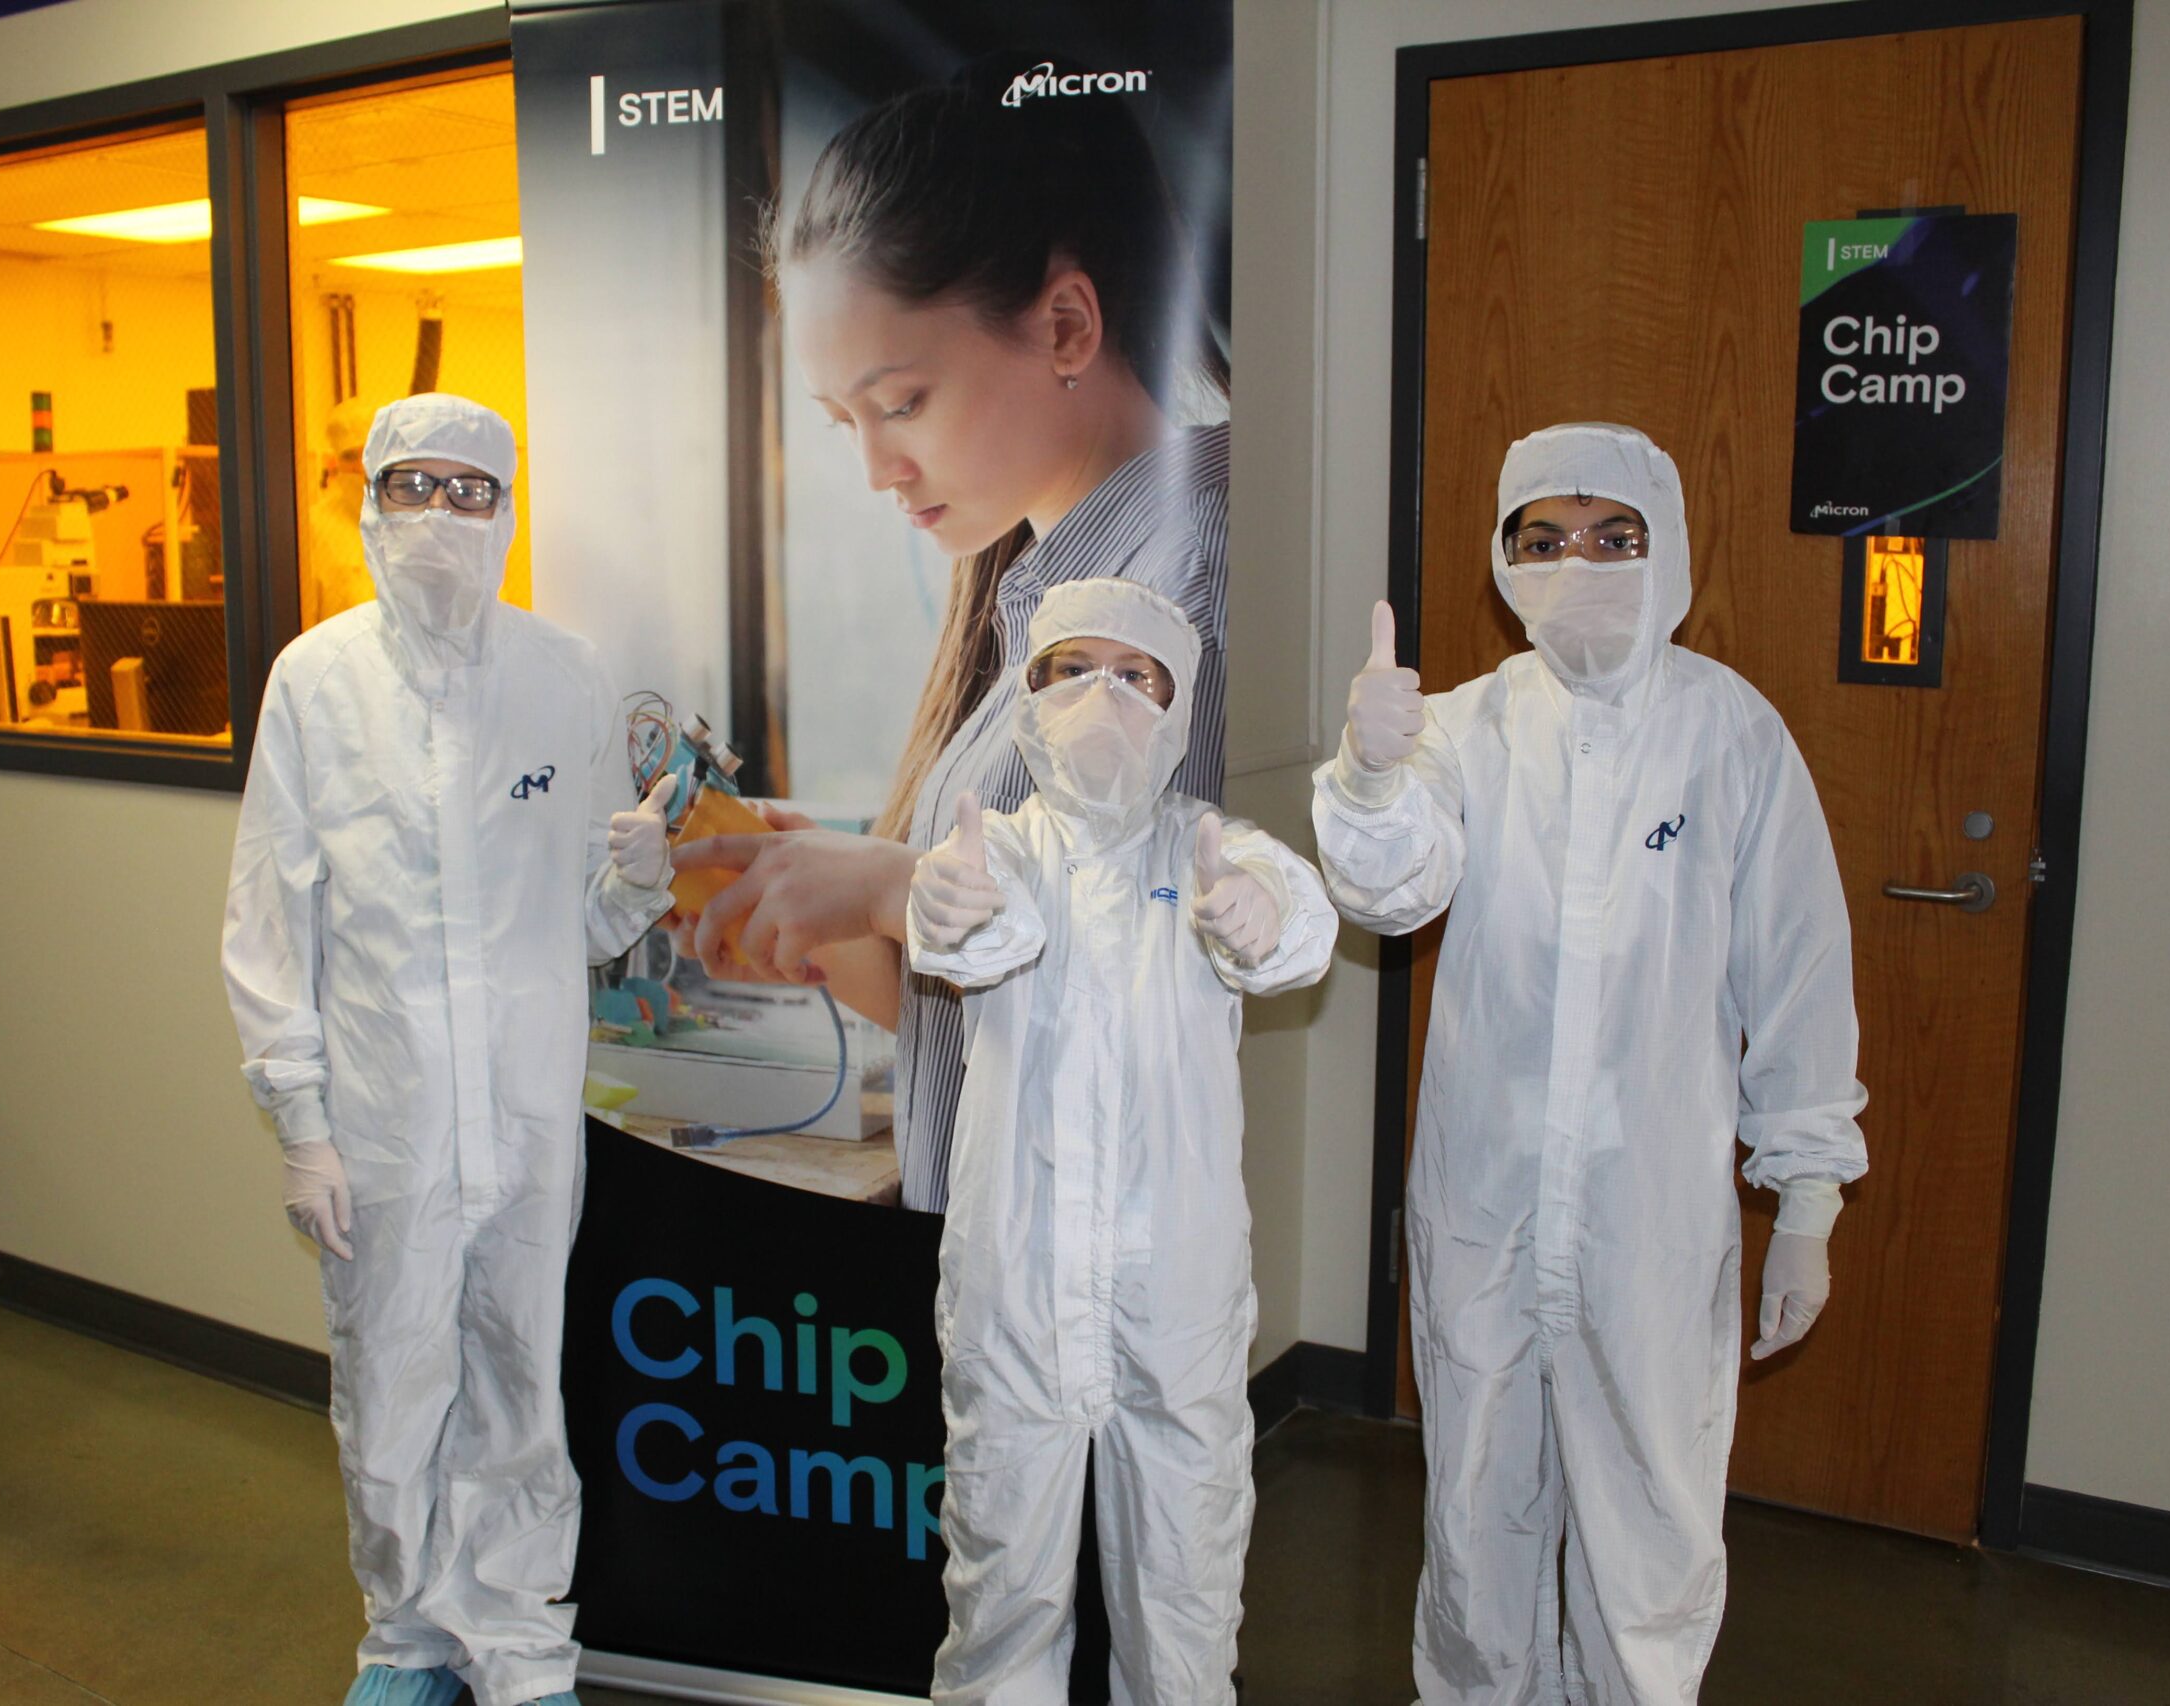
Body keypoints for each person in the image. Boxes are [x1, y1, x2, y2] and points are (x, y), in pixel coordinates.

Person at [1312, 422, 1868, 1705]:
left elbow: (1796, 975)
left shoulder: (1730, 735)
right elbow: (1391, 895)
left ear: (1666, 547)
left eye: (1615, 537)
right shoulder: (1463, 728)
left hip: (1652, 1224)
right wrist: (1369, 778)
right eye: (1544, 540)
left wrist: (1807, 1200)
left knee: (1650, 1544)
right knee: (1474, 1533)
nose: (1581, 563)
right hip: (1485, 1214)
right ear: (1503, 562)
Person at [672, 55, 1232, 1213]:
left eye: (902, 403)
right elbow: (966, 1023)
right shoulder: (1031, 592)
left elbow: (1175, 978)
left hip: (1100, 1278)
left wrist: (891, 885)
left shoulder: (1188, 589)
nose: (877, 468)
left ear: (1067, 323)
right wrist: (817, 901)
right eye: (846, 422)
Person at [221, 393, 677, 1706]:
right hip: (382, 1125)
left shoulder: (563, 674)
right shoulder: (316, 681)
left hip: (529, 1120)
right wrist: (302, 1119)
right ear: (369, 502)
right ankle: (410, 1638)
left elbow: (582, 920)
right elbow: (268, 921)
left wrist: (638, 882)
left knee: (520, 1392)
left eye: (468, 489)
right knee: (393, 1391)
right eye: (412, 485)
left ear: (508, 510)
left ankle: (524, 1644)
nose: (439, 515)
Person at [909, 578, 1335, 1704]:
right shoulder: (986, 847)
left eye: (1134, 676)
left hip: (1175, 1305)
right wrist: (947, 909)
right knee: (1000, 1598)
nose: (1101, 697)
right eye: (1070, 669)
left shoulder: (1212, 847)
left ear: (1177, 704)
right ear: (1028, 692)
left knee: (1183, 1605)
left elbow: (1295, 922)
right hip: (1019, 1300)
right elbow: (961, 925)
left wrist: (1266, 917)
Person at [304, 393, 378, 626]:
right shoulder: (314, 527)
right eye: (349, 456)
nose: (359, 467)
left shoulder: (417, 521)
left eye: (367, 453)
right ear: (335, 461)